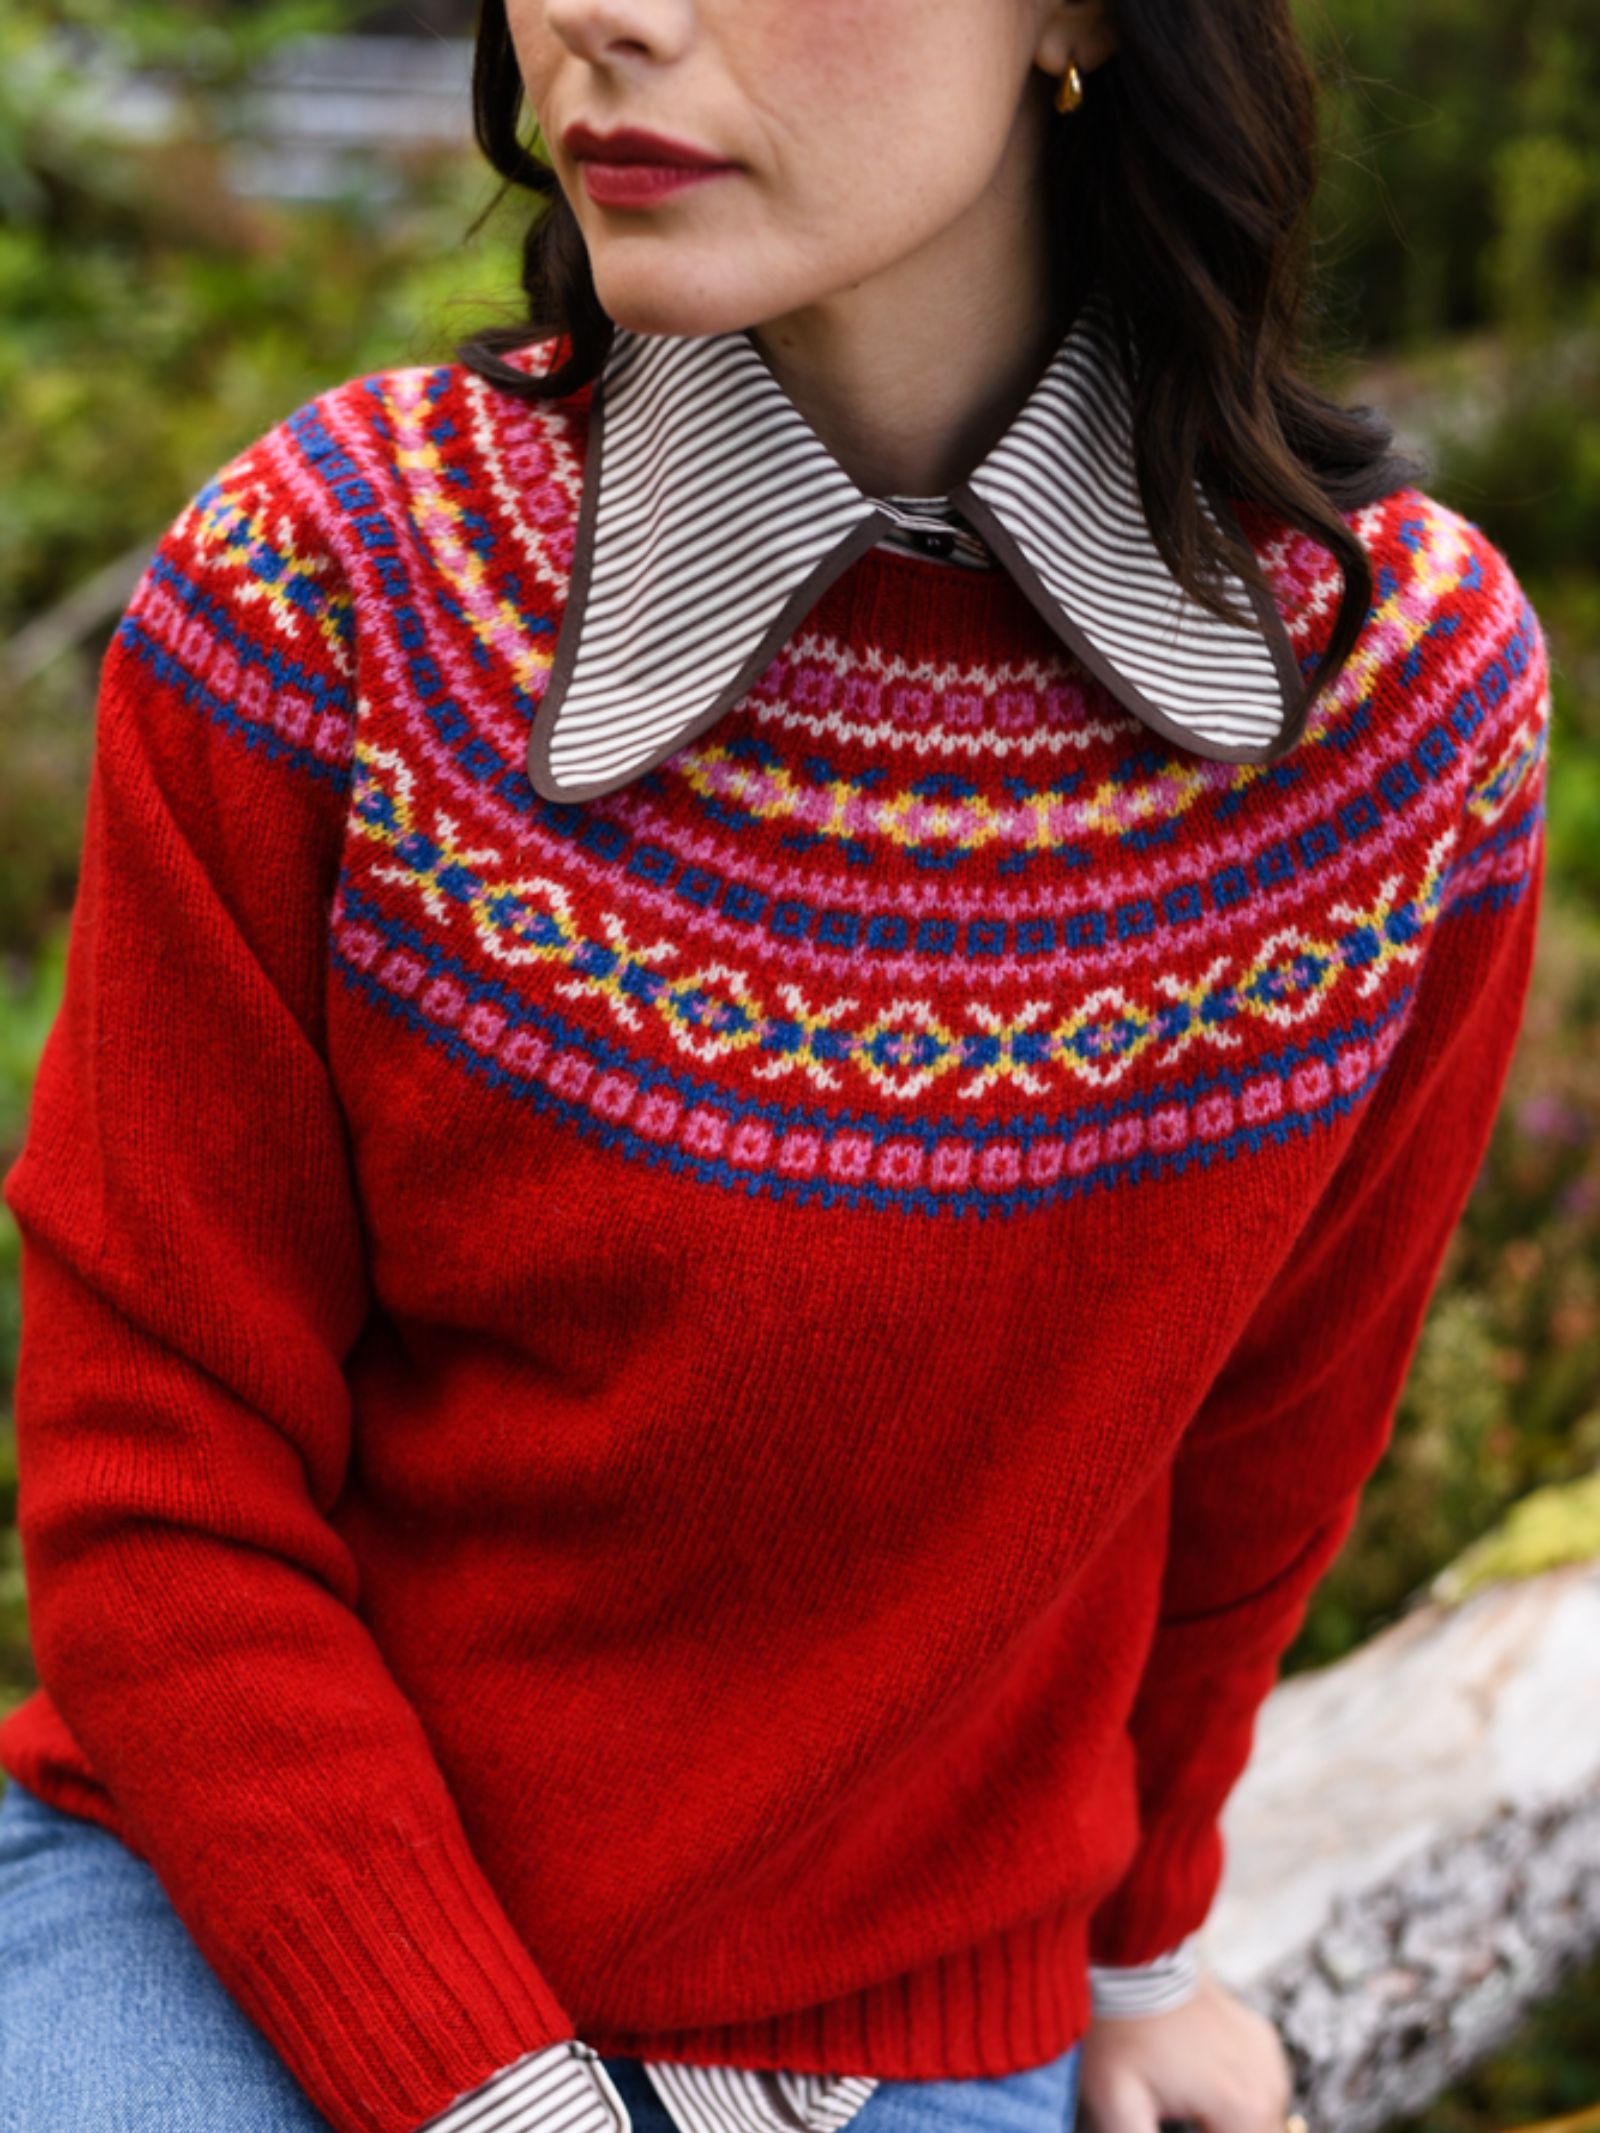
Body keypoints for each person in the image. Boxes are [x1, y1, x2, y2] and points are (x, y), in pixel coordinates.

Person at [0, 0, 1551, 2131]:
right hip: (231, 1922)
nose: (607, 17)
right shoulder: (333, 584)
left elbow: (1260, 1446)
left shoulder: (1394, 703)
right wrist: (499, 2097)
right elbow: (160, 1477)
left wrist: (1145, 1949)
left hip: (915, 2013)